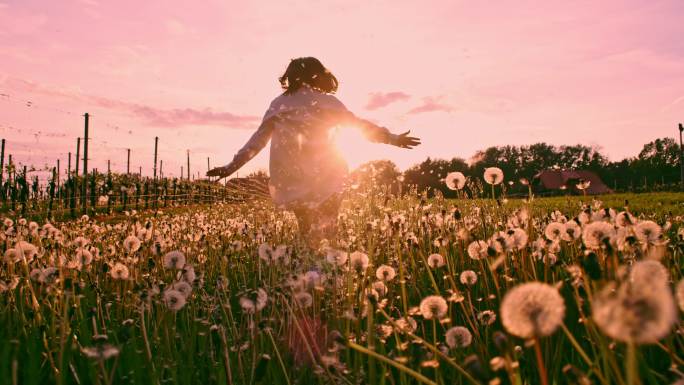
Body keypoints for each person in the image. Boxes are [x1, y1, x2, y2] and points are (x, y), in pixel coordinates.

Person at [208, 57, 420, 241]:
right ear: (317, 75)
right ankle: (329, 278)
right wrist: (391, 138)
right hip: (328, 175)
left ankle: (308, 278)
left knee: (307, 234)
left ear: (290, 77)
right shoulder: (327, 102)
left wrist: (231, 167)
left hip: (294, 179)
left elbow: (257, 141)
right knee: (329, 233)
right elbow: (358, 125)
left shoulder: (279, 104)